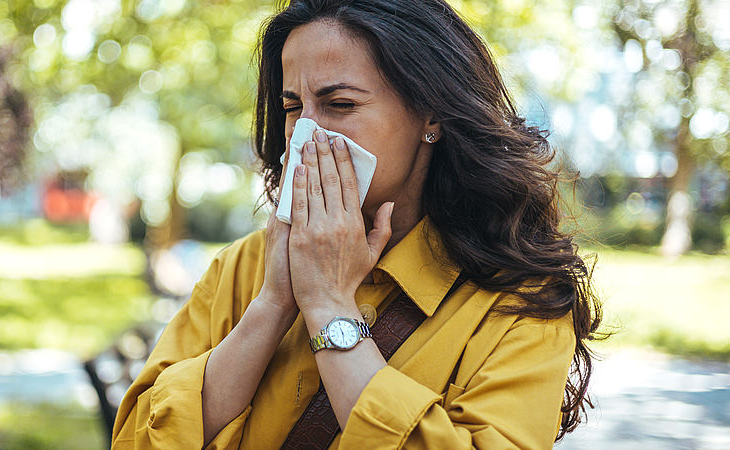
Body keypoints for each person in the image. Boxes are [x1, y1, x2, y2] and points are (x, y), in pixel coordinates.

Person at [112, 0, 602, 448]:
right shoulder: (242, 267)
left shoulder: (519, 301)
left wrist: (328, 306)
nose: (307, 133)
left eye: (340, 105)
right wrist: (274, 304)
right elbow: (136, 439)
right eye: (291, 108)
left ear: (431, 114)